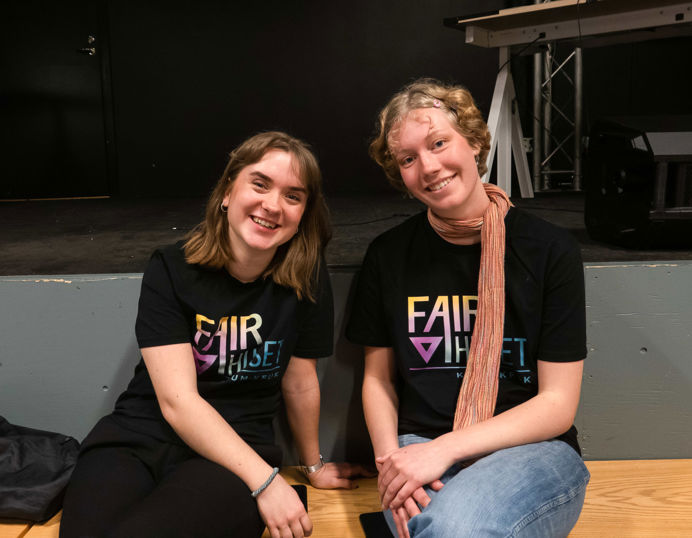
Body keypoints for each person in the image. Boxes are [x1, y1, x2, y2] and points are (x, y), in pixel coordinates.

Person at [61, 131, 366, 538]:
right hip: (139, 437)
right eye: (260, 184)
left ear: (303, 215)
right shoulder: (172, 267)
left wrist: (312, 466)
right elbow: (178, 402)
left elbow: (299, 381)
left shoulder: (306, 279)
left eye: (293, 196)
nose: (273, 205)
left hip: (235, 455)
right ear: (227, 192)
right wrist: (268, 483)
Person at [346, 79, 590, 538]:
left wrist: (447, 449)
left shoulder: (549, 250)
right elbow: (378, 380)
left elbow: (557, 404)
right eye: (408, 159)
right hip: (417, 446)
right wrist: (391, 464)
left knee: (455, 530)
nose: (428, 166)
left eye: (439, 143)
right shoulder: (388, 255)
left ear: (475, 141)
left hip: (533, 448)